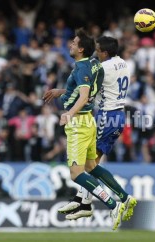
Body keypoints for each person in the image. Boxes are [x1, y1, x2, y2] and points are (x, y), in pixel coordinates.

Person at [43, 28, 126, 230]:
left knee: (76, 174)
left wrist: (69, 113)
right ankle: (119, 197)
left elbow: (84, 95)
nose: (70, 44)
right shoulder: (93, 64)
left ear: (80, 49)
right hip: (89, 120)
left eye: (74, 42)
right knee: (92, 167)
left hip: (79, 122)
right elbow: (83, 91)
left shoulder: (82, 68)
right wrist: (61, 92)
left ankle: (113, 205)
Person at [56, 36, 137, 221]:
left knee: (89, 167)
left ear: (105, 53)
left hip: (106, 116)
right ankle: (83, 201)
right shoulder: (123, 63)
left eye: (98, 50)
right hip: (119, 115)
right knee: (91, 165)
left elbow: (85, 91)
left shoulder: (103, 67)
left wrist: (64, 99)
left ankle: (115, 200)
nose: (95, 53)